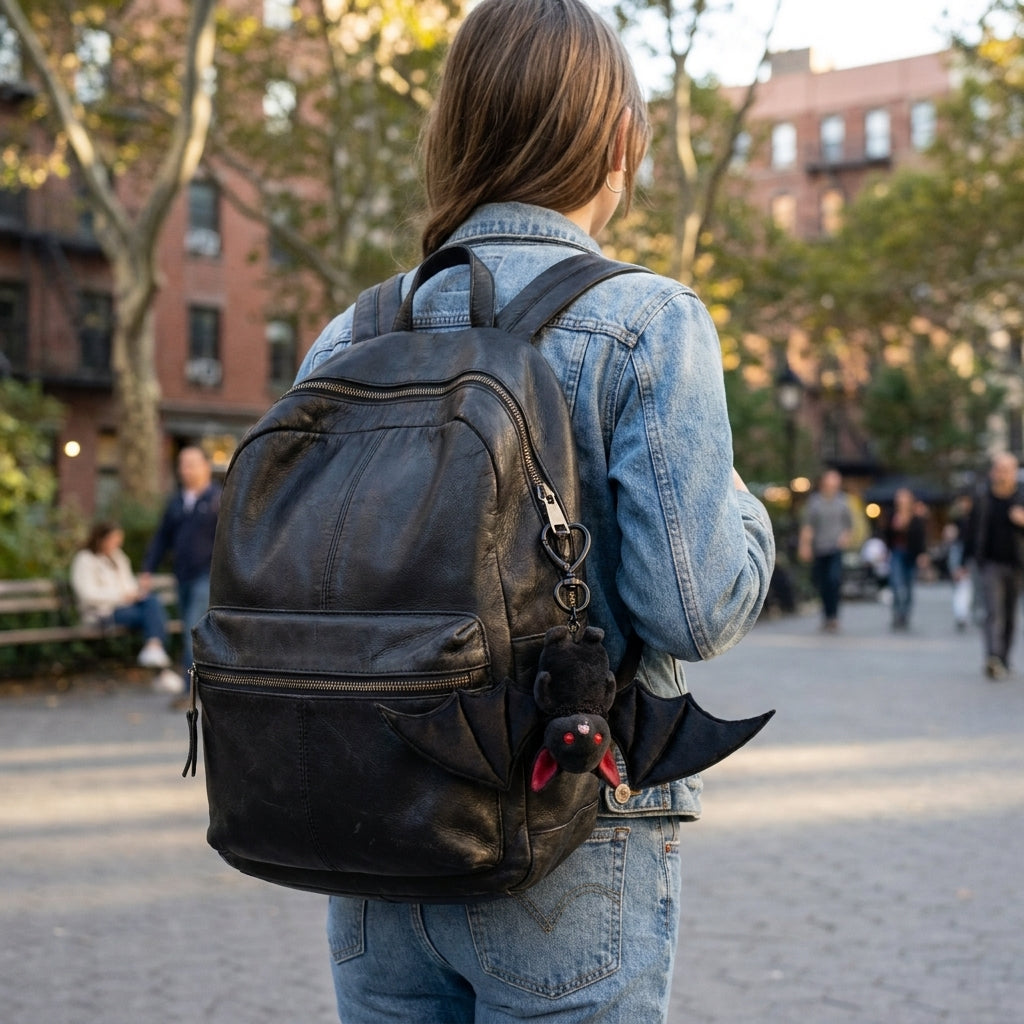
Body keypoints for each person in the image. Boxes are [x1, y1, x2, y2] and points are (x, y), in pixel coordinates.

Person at [295, 2, 775, 1021]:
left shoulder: (348, 336)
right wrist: (744, 507)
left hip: (371, 829)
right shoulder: (646, 322)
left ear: (455, 133)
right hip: (566, 827)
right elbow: (694, 608)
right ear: (617, 142)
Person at [141, 446, 221, 698]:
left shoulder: (219, 499)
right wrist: (147, 569)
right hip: (182, 576)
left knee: (192, 628)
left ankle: (190, 689)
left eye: (191, 463)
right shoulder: (176, 502)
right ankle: (204, 681)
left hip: (207, 575)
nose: (185, 469)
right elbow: (162, 538)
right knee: (192, 628)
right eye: (182, 464)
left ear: (205, 466)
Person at [69, 521, 176, 683]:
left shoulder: (118, 557)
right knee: (154, 613)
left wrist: (136, 594)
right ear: (101, 539)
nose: (117, 544)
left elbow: (129, 585)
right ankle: (160, 666)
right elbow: (87, 594)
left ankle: (154, 649)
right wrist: (121, 596)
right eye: (114, 540)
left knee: (152, 600)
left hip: (126, 608)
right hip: (102, 613)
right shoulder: (84, 559)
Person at [959, 452, 1024, 679]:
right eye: (1001, 469)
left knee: (1010, 614)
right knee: (992, 612)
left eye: (1009, 470)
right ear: (993, 472)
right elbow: (970, 531)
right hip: (989, 563)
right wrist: (963, 561)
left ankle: (1004, 657)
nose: (1005, 474)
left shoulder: (1021, 498)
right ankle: (992, 657)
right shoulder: (983, 497)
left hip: (1017, 564)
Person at [797, 468, 853, 632]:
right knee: (822, 583)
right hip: (819, 548)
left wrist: (845, 537)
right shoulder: (815, 502)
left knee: (833, 580)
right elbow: (807, 526)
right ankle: (827, 616)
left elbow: (848, 525)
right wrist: (805, 546)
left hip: (835, 548)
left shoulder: (843, 502)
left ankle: (834, 616)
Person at [883, 487, 928, 629]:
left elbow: (921, 536)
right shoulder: (892, 515)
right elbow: (885, 534)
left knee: (908, 586)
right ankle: (897, 612)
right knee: (896, 584)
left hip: (911, 553)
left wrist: (922, 554)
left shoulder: (916, 516)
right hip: (896, 553)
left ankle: (905, 614)